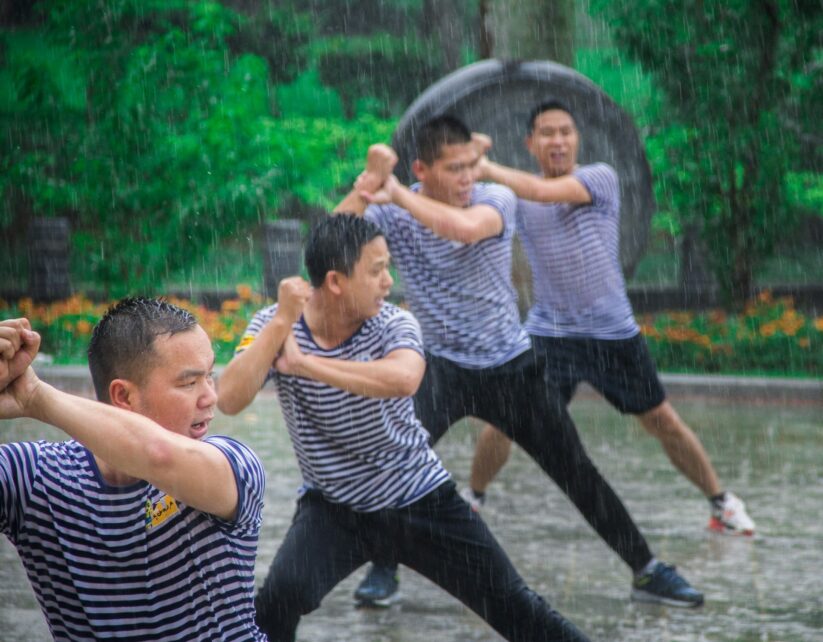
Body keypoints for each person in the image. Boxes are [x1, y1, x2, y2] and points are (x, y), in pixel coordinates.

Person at [338, 115, 704, 609]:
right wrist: (367, 184)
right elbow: (330, 244)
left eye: (471, 165)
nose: (468, 178)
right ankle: (384, 567)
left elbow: (466, 231)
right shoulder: (394, 216)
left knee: (575, 469)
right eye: (454, 169)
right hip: (440, 367)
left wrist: (397, 192)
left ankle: (646, 568)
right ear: (423, 169)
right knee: (396, 463)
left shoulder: (494, 199)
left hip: (511, 368)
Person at [217, 214, 590, 642]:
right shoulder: (274, 325)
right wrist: (281, 323)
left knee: (513, 605)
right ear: (336, 281)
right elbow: (229, 397)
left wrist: (306, 365)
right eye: (376, 270)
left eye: (387, 267)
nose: (388, 281)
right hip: (336, 509)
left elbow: (403, 379)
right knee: (279, 599)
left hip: (420, 497)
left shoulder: (392, 322)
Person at [462, 100, 755, 538]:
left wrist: (485, 164)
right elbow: (477, 207)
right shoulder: (515, 196)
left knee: (662, 421)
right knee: (503, 421)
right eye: (547, 133)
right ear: (531, 143)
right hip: (549, 334)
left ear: (577, 138)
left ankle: (721, 502)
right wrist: (465, 164)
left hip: (612, 333)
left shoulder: (599, 178)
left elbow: (543, 192)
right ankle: (472, 500)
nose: (558, 141)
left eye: (566, 131)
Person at [0, 301, 267, 641]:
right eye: (189, 383)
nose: (210, 397)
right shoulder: (34, 477)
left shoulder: (233, 464)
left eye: (209, 376)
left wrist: (35, 396)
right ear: (123, 395)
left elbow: (158, 455)